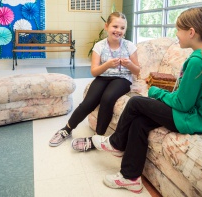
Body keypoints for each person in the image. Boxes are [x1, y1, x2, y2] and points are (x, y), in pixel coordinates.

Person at [91, 6, 202, 193]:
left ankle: (115, 142)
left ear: (191, 32)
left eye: (179, 29)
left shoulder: (198, 61)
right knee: (139, 120)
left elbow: (182, 104)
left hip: (199, 118)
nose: (176, 34)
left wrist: (155, 91)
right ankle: (130, 177)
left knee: (136, 102)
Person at [49, 11, 141, 151]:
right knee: (88, 102)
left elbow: (137, 71)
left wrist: (128, 64)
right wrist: (107, 65)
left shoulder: (129, 46)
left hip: (122, 79)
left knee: (108, 98)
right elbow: (94, 71)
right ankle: (67, 129)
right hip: (103, 76)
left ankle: (97, 138)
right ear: (106, 26)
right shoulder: (99, 46)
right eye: (115, 26)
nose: (118, 30)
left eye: (122, 28)